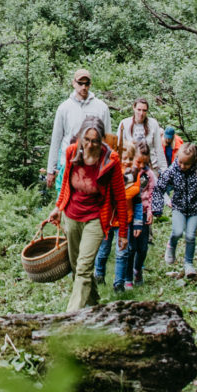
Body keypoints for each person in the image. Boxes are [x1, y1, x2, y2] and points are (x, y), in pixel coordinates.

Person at [45, 116, 129, 311]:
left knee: (83, 267)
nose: (91, 145)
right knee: (76, 267)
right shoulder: (72, 152)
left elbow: (120, 197)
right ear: (81, 138)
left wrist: (122, 232)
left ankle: (69, 317)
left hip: (96, 218)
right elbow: (66, 183)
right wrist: (58, 208)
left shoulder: (111, 161)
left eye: (95, 141)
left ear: (102, 141)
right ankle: (95, 305)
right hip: (72, 215)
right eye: (87, 140)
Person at [151, 143, 197, 278]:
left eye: (186, 164)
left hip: (194, 209)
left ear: (194, 162)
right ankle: (171, 244)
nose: (182, 166)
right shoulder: (173, 170)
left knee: (190, 236)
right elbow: (159, 188)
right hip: (179, 207)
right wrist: (157, 208)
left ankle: (188, 264)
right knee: (177, 232)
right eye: (180, 162)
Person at [42, 69, 111, 200]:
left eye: (86, 83)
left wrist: (107, 166)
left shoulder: (101, 108)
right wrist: (50, 170)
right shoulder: (64, 108)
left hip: (93, 164)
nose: (83, 87)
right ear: (74, 83)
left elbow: (107, 139)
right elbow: (56, 140)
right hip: (67, 163)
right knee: (64, 200)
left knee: (89, 203)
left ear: (90, 84)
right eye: (80, 83)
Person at [114, 142, 157, 291]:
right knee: (130, 248)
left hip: (144, 214)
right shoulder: (127, 174)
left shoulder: (149, 175)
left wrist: (151, 211)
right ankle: (127, 278)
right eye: (138, 161)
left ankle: (137, 269)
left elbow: (153, 194)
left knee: (143, 247)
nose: (140, 165)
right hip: (130, 215)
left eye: (144, 163)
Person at [116, 99, 168, 174]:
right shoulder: (124, 123)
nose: (141, 113)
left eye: (144, 110)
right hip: (131, 167)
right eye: (139, 110)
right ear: (134, 108)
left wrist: (164, 171)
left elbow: (158, 148)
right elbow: (119, 149)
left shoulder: (153, 123)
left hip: (151, 167)